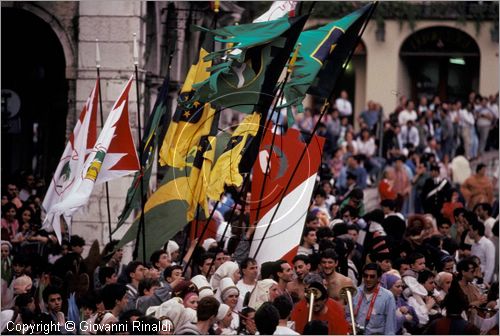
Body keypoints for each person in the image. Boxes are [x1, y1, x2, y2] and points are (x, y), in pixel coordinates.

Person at [349, 263, 397, 335]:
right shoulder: (354, 293)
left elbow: (390, 328)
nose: (368, 279)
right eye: (365, 276)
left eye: (372, 276)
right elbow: (347, 316)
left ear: (379, 278)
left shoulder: (387, 297)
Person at [469, 220, 495, 284]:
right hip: (475, 278)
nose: (468, 232)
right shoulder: (473, 245)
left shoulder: (488, 244)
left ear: (476, 231)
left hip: (484, 280)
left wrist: (485, 282)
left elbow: (490, 266)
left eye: (470, 230)